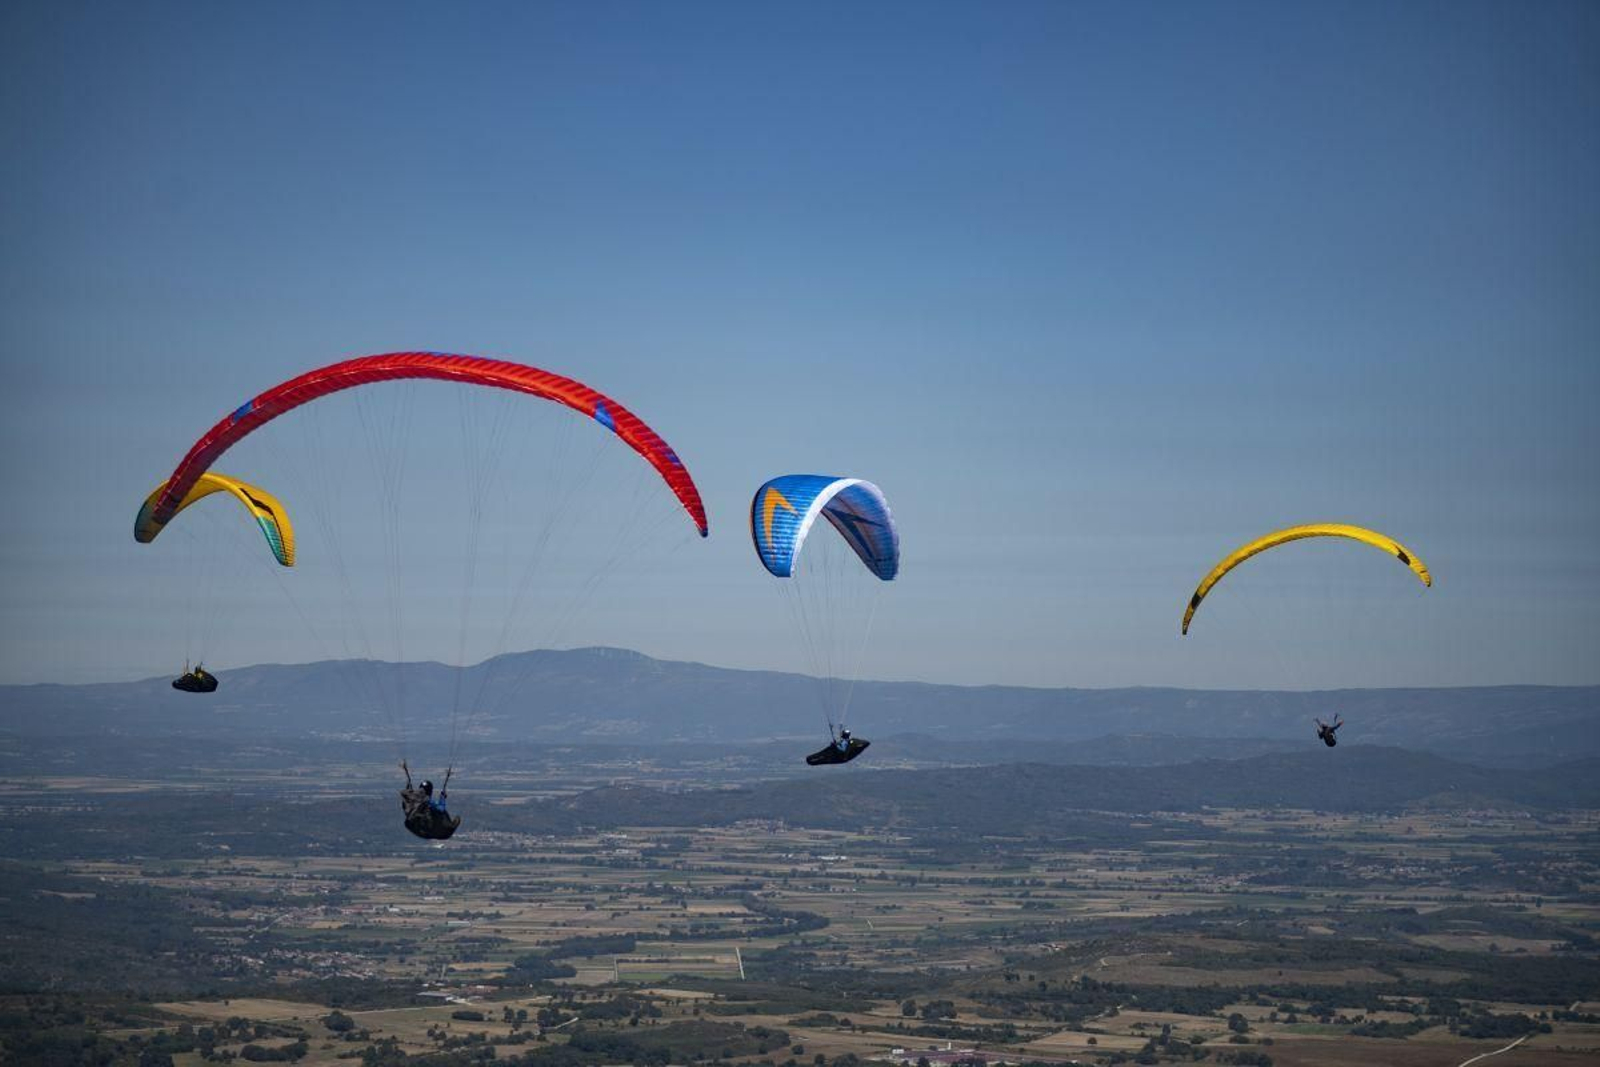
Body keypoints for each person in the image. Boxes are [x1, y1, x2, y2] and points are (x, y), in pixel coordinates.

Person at [400, 760, 461, 840]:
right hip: (438, 832)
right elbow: (441, 809)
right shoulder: (429, 804)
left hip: (421, 831)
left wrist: (408, 783)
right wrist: (442, 798)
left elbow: (407, 802)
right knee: (454, 819)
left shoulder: (414, 802)